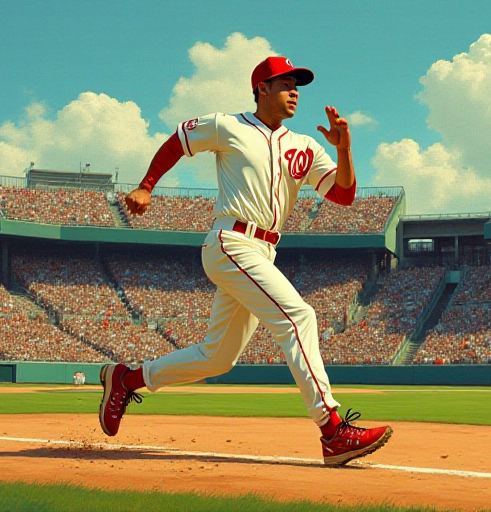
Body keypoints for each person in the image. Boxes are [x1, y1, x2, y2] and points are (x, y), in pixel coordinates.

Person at [98, 56, 392, 466]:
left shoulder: (303, 146)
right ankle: (333, 429)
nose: (294, 92)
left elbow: (343, 194)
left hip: (265, 250)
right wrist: (147, 186)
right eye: (286, 83)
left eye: (297, 85)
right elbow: (178, 142)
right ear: (262, 89)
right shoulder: (227, 125)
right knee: (299, 316)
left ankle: (126, 379)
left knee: (217, 357)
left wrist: (344, 150)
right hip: (230, 240)